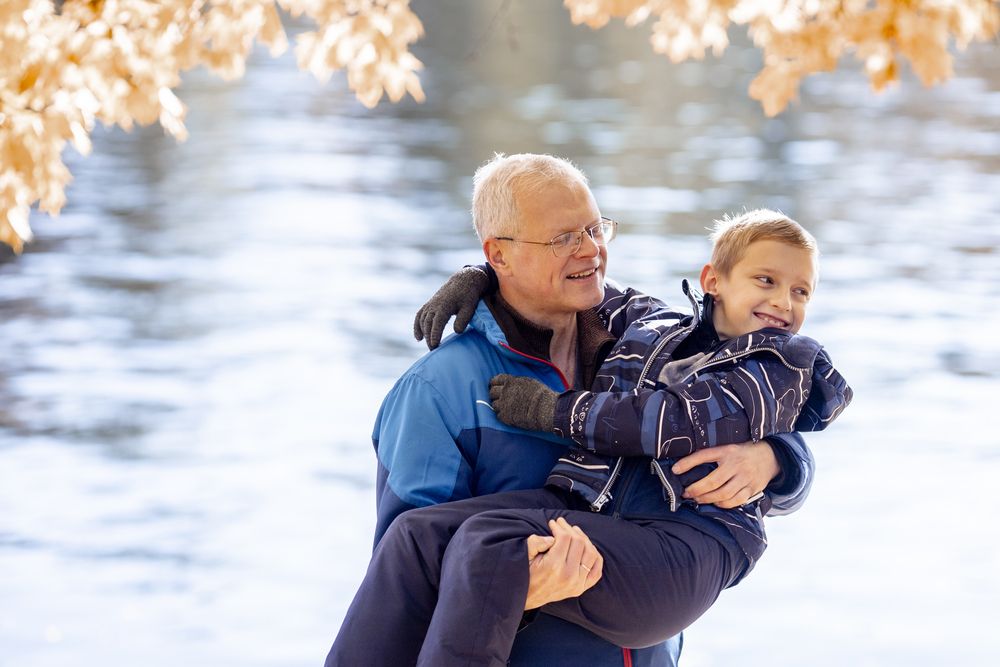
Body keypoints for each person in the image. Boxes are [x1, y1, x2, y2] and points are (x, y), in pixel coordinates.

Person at [326, 154, 821, 667]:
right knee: (433, 538)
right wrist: (520, 595)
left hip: (653, 614)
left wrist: (779, 460)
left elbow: (744, 405)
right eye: (563, 237)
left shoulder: (638, 346)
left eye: (593, 228)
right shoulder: (438, 391)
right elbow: (406, 592)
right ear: (500, 254)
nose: (590, 250)